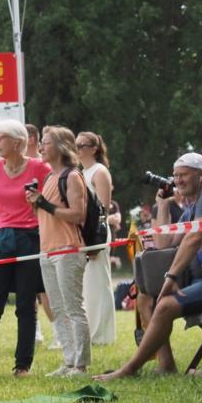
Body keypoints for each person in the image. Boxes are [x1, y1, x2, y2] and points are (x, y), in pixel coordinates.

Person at [96, 153, 202, 381]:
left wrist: (171, 276)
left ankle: (129, 369)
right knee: (145, 297)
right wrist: (163, 205)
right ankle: (166, 365)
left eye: (183, 175)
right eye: (175, 175)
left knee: (165, 305)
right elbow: (164, 243)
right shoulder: (192, 207)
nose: (177, 180)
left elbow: (195, 236)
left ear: (201, 176)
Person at [0, 119, 50, 378]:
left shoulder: (39, 167)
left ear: (17, 141)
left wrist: (39, 204)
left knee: (25, 305)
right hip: (1, 240)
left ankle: (22, 365)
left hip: (29, 239)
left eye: (0, 138)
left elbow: (53, 194)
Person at [27, 126, 91, 377]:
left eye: (46, 143)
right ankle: (68, 361)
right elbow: (46, 216)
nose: (41, 147)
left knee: (73, 308)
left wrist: (44, 204)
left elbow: (78, 215)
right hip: (47, 251)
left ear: (61, 147)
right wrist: (36, 204)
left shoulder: (72, 177)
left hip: (68, 249)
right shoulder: (48, 179)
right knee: (58, 308)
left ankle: (81, 365)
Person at [76, 131, 117, 345]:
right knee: (87, 285)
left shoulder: (99, 171)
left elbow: (103, 209)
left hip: (96, 232)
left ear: (94, 149)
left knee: (98, 282)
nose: (77, 149)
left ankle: (101, 335)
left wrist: (93, 238)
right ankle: (90, 332)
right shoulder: (80, 172)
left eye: (81, 145)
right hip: (82, 233)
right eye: (75, 145)